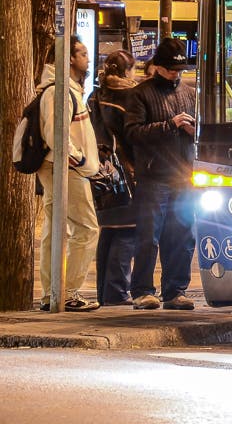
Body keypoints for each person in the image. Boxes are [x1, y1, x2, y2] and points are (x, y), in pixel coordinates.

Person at [124, 37, 197, 310]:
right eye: (170, 70)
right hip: (153, 176)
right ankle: (142, 290)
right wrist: (170, 125)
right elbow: (132, 133)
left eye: (179, 71)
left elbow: (202, 131)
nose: (175, 75)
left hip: (184, 174)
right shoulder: (140, 94)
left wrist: (194, 130)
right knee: (148, 236)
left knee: (182, 235)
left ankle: (175, 290)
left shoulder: (189, 93)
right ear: (157, 66)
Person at [37, 35, 101, 312]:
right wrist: (81, 159)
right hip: (64, 167)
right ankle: (67, 292)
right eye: (83, 53)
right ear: (69, 58)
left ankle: (53, 293)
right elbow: (57, 134)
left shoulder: (65, 88)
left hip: (60, 165)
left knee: (55, 230)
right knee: (86, 229)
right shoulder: (59, 91)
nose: (87, 58)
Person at [88, 49, 138, 306]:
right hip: (123, 173)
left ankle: (103, 292)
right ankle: (117, 292)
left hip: (100, 171)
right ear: (127, 71)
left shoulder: (95, 95)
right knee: (127, 231)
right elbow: (132, 138)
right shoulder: (128, 97)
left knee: (108, 231)